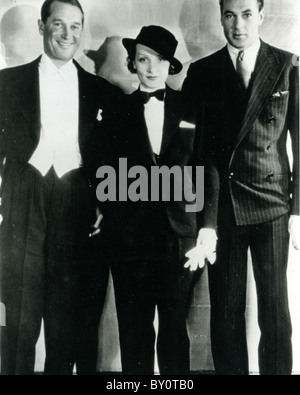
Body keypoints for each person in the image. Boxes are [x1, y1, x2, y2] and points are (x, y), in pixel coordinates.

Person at [0, 0, 119, 375]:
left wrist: (103, 202)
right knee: (19, 314)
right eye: (59, 25)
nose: (68, 34)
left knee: (65, 316)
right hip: (23, 198)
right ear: (41, 26)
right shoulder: (7, 83)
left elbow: (108, 158)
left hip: (76, 201)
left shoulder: (101, 90)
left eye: (75, 26)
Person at [182, 0, 299, 375]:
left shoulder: (288, 65)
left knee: (275, 311)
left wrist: (299, 210)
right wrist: (207, 222)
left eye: (247, 14)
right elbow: (201, 154)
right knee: (226, 313)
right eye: (230, 15)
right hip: (224, 207)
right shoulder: (202, 72)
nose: (238, 25)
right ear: (220, 17)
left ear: (261, 16)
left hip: (274, 205)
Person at [102, 25, 202, 375]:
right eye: (143, 58)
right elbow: (103, 169)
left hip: (179, 235)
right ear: (132, 62)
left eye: (159, 60)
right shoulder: (116, 111)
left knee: (174, 328)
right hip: (130, 238)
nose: (150, 67)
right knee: (134, 328)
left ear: (170, 65)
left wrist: (204, 229)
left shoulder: (191, 107)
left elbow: (206, 168)